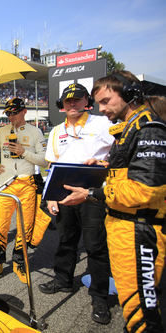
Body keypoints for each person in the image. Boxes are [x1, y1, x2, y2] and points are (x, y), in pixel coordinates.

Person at [58, 71, 166, 332]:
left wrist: (93, 193)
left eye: (106, 101)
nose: (102, 108)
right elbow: (131, 170)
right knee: (134, 307)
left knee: (142, 312)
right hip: (124, 228)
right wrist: (105, 165)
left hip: (140, 232)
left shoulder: (148, 128)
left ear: (129, 95)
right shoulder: (130, 127)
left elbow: (146, 190)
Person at [40, 83, 114, 325]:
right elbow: (51, 166)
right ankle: (63, 280)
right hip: (64, 194)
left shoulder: (102, 123)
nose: (72, 103)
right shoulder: (55, 131)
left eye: (77, 99)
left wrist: (106, 166)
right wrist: (50, 196)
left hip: (92, 193)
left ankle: (100, 297)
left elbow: (118, 153)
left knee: (95, 245)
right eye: (68, 100)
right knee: (66, 240)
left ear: (86, 102)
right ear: (62, 105)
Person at [0, 97, 49, 283]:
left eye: (14, 113)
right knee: (0, 225)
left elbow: (44, 161)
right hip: (6, 185)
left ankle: (19, 262)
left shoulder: (35, 132)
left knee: (25, 227)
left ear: (24, 111)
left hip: (27, 185)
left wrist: (24, 152)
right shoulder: (2, 131)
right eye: (8, 113)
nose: (11, 117)